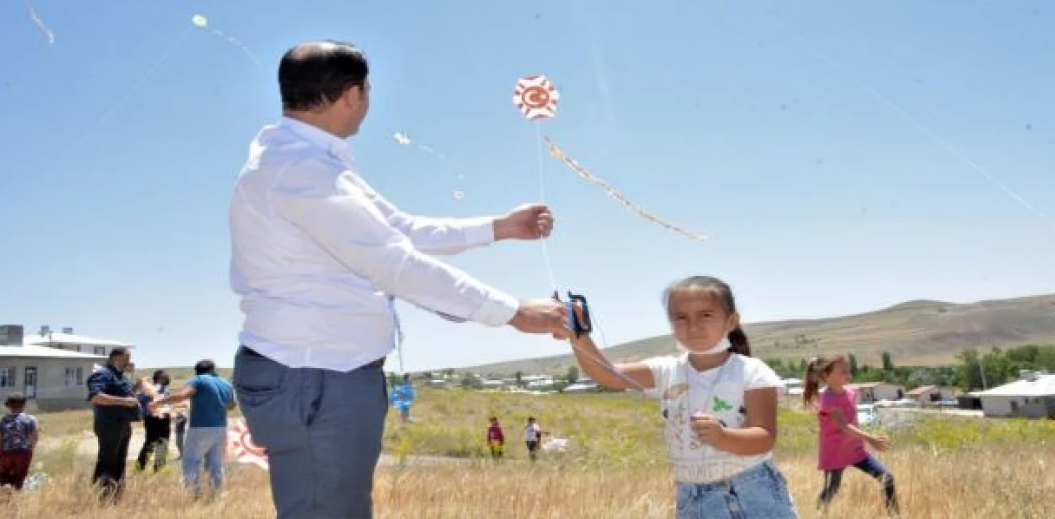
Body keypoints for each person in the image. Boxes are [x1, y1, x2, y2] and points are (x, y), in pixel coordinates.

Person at [229, 40, 572, 518]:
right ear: (351, 94)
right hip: (315, 375)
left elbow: (399, 230)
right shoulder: (301, 171)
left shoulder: (310, 163)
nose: (368, 103)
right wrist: (513, 312)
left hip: (324, 372)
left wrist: (500, 227)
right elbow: (394, 263)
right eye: (367, 91)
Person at [567, 275, 798, 519]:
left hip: (751, 491)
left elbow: (764, 437)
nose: (693, 326)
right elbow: (607, 374)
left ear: (731, 321)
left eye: (705, 315)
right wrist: (576, 331)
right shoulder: (666, 370)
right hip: (693, 497)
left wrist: (723, 437)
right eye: (681, 317)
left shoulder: (751, 371)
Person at [804, 354, 898, 514]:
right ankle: (818, 514)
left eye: (848, 371)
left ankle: (894, 515)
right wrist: (871, 439)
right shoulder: (827, 399)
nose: (848, 375)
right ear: (826, 375)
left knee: (887, 477)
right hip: (835, 453)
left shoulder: (851, 392)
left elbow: (852, 420)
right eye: (843, 372)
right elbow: (844, 425)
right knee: (831, 489)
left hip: (856, 450)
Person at [154, 359, 236, 498]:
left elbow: (182, 395)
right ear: (212, 369)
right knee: (215, 464)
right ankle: (217, 496)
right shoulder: (225, 383)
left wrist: (159, 402)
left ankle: (193, 495)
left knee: (191, 460)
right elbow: (232, 405)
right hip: (220, 427)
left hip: (200, 427)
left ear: (197, 370)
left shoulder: (198, 380)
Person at [86, 347, 141, 502]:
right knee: (108, 460)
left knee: (120, 461)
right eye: (126, 357)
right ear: (116, 357)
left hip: (123, 424)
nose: (128, 361)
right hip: (109, 424)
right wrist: (124, 401)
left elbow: (124, 394)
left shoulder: (119, 376)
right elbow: (95, 396)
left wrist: (136, 388)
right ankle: (102, 497)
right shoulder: (103, 374)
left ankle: (116, 496)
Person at [0, 393, 39, 498]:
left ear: (8, 406)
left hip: (5, 453)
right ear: (24, 405)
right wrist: (31, 449)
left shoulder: (2, 420)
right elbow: (34, 437)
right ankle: (14, 498)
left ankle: (6, 489)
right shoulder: (30, 420)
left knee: (3, 475)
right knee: (19, 478)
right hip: (23, 453)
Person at [135, 370, 172, 473]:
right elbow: (139, 401)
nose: (163, 380)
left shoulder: (167, 390)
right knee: (150, 442)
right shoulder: (148, 389)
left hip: (165, 418)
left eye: (165, 378)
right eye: (161, 377)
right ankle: (140, 467)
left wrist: (170, 409)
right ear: (156, 378)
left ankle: (159, 468)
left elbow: (170, 403)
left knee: (163, 442)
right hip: (152, 419)